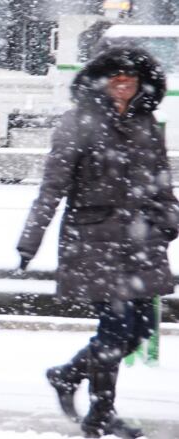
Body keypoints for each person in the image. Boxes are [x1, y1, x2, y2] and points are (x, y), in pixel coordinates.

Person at [17, 45, 176, 439]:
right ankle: (101, 414)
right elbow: (52, 187)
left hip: (142, 244)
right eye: (116, 76)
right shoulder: (78, 123)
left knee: (139, 331)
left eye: (131, 77)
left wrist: (170, 221)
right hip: (94, 241)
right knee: (116, 328)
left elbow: (162, 183)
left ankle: (68, 374)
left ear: (142, 83)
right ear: (103, 81)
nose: (124, 83)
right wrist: (30, 240)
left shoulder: (147, 124)